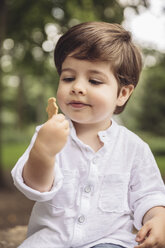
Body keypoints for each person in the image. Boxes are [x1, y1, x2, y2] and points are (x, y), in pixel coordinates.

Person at [12, 22, 165, 248]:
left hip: (108, 241)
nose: (77, 87)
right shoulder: (48, 135)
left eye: (94, 81)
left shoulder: (133, 148)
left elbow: (148, 194)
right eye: (68, 78)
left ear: (122, 93)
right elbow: (36, 188)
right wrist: (43, 153)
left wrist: (157, 218)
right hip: (51, 241)